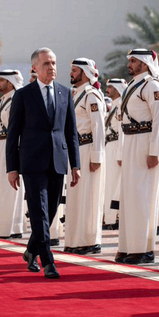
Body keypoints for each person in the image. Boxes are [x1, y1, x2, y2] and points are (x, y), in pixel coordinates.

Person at [6, 47, 81, 279]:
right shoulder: (23, 95)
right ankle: (48, 260)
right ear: (35, 68)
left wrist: (75, 164)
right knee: (39, 212)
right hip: (32, 162)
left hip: (57, 161)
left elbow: (71, 132)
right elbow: (13, 134)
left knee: (50, 211)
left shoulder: (64, 93)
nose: (52, 68)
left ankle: (30, 250)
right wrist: (12, 168)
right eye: (47, 64)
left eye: (54, 63)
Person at [116, 49, 159, 265]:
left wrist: (155, 151)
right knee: (129, 196)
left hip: (144, 141)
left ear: (145, 64)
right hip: (130, 141)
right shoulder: (133, 85)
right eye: (129, 60)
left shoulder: (151, 85)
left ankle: (143, 249)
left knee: (142, 196)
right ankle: (128, 247)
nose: (130, 64)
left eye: (134, 60)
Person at [64, 58, 106, 255]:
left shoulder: (92, 95)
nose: (71, 74)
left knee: (89, 197)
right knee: (75, 198)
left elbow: (98, 127)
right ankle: (74, 240)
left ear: (85, 73)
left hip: (88, 149)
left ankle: (89, 240)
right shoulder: (76, 94)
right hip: (75, 150)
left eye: (75, 70)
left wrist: (97, 156)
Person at [0, 70, 26, 238]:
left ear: (10, 83)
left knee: (9, 186)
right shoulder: (6, 100)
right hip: (0, 144)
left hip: (10, 145)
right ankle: (1, 226)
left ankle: (11, 228)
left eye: (2, 80)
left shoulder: (16, 100)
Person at [103, 78, 127, 229]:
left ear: (117, 89)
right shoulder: (115, 106)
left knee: (115, 184)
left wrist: (120, 153)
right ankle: (110, 218)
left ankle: (115, 218)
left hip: (116, 146)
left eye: (110, 87)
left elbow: (122, 130)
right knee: (110, 183)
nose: (108, 89)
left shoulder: (120, 105)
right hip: (110, 146)